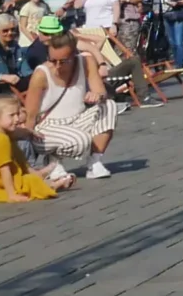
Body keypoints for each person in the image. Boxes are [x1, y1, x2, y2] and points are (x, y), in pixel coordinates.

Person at [22, 22, 117, 180]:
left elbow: (101, 92)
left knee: (109, 106)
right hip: (45, 128)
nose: (58, 66)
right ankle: (52, 161)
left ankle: (94, 162)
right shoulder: (41, 74)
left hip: (76, 119)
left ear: (74, 54)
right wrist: (26, 146)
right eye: (53, 60)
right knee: (81, 141)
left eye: (63, 61)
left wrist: (97, 95)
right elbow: (30, 115)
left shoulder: (86, 61)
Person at [0, 93, 71, 202]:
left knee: (14, 147)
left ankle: (37, 174)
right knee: (29, 182)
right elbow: (5, 170)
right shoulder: (0, 139)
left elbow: (19, 133)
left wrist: (30, 132)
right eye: (12, 115)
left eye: (17, 114)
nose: (17, 119)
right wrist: (11, 195)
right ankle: (50, 185)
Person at [0, 13, 41, 97]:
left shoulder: (16, 48)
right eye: (5, 31)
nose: (10, 33)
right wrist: (1, 77)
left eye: (12, 29)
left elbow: (26, 71)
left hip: (17, 88)